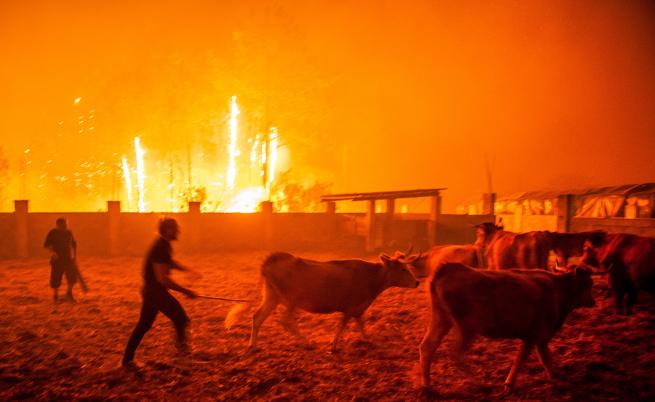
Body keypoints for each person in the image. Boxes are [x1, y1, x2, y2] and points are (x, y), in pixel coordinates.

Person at [122, 218, 197, 368]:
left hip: (152, 292)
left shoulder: (164, 244)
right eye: (176, 228)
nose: (179, 231)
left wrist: (186, 269)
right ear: (168, 230)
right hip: (155, 292)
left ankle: (127, 360)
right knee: (181, 319)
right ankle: (182, 357)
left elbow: (168, 262)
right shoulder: (160, 247)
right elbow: (162, 279)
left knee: (144, 325)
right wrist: (186, 291)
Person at [43, 217, 78, 302]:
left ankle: (69, 293)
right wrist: (52, 253)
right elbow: (46, 245)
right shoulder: (53, 233)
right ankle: (55, 295)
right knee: (56, 278)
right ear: (58, 225)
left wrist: (74, 256)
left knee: (72, 277)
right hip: (57, 259)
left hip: (68, 258)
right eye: (64, 224)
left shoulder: (69, 232)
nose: (66, 226)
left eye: (67, 224)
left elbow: (73, 244)